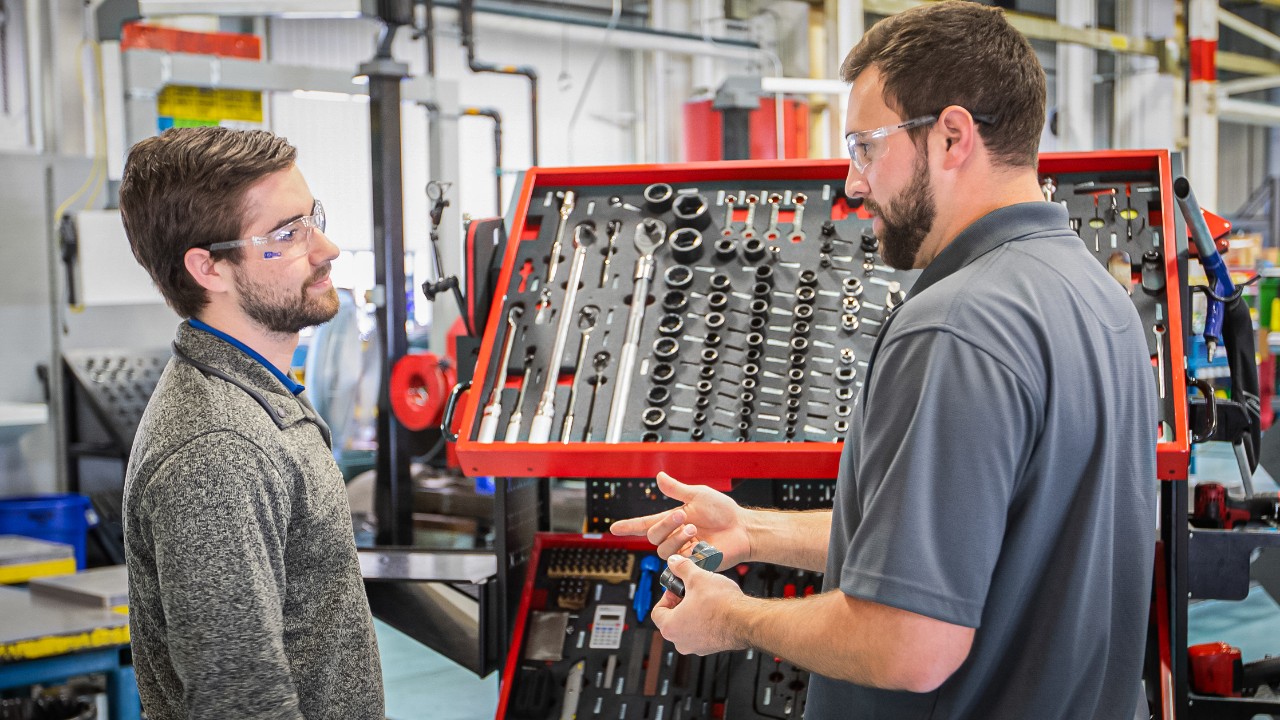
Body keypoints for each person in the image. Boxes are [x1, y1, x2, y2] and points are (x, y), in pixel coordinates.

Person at [612, 3, 1157, 719]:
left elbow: (911, 643)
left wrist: (735, 618)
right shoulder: (1099, 297)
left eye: (866, 146)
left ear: (952, 136)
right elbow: (967, 537)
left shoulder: (955, 327)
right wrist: (753, 530)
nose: (853, 181)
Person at [119, 127, 384, 719]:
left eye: (311, 219)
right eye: (287, 235)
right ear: (209, 268)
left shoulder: (261, 399)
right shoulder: (219, 449)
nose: (327, 248)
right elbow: (238, 703)